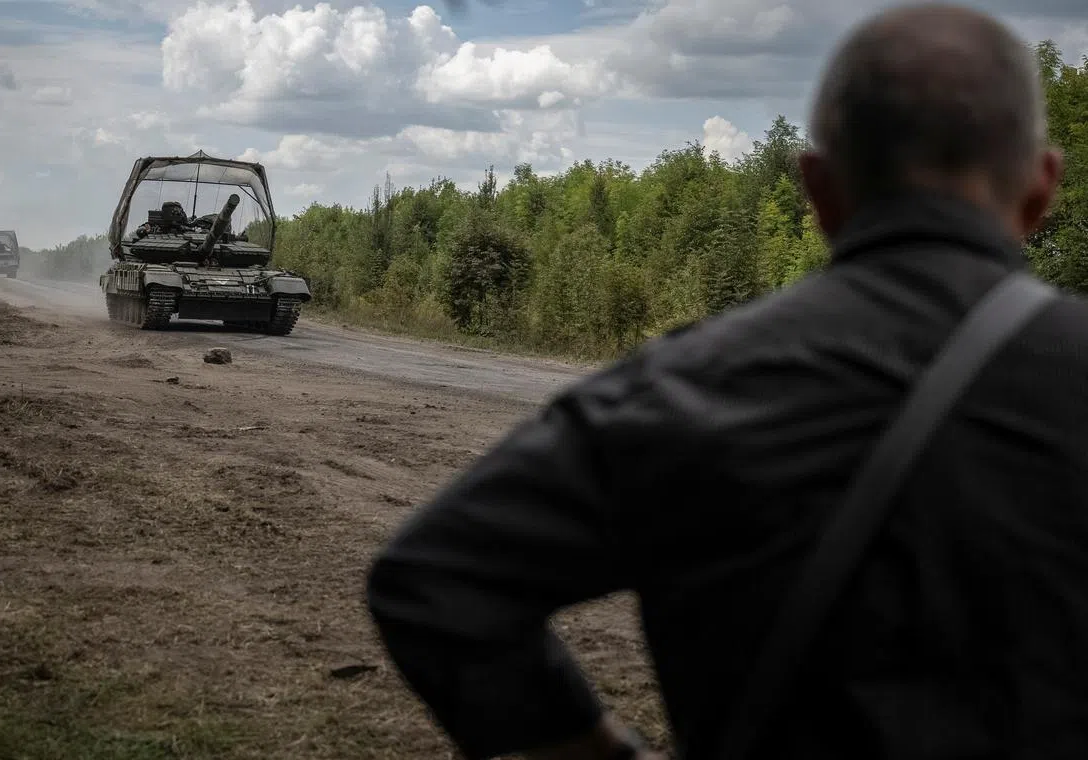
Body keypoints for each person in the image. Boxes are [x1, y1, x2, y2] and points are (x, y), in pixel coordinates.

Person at [367, 3, 1084, 758]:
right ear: (1041, 187)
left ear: (817, 190)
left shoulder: (685, 384)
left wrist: (598, 749)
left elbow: (435, 580)